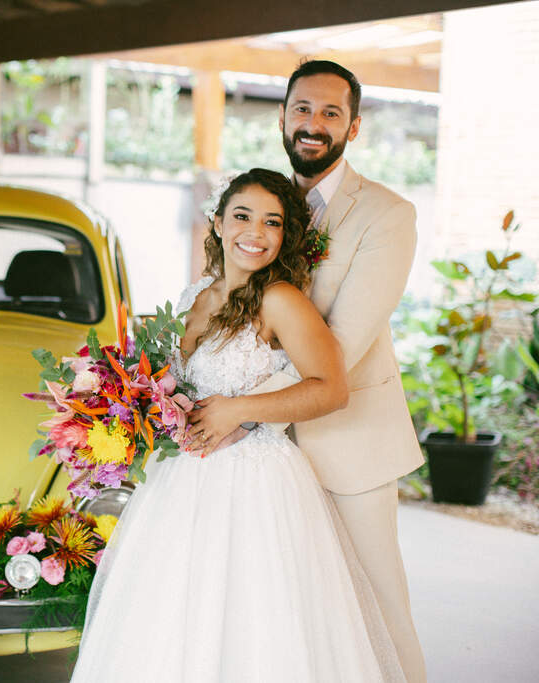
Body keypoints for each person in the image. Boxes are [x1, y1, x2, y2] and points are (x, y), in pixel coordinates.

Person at [71, 169, 405, 682]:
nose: (256, 232)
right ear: (219, 223)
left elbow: (331, 388)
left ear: (284, 235)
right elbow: (168, 385)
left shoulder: (281, 300)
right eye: (243, 216)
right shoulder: (191, 297)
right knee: (172, 617)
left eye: (272, 222)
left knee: (256, 621)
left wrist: (238, 408)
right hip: (181, 483)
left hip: (254, 484)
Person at [244, 60, 426, 683]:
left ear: (353, 127)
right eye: (302, 109)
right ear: (282, 116)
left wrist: (235, 406)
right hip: (264, 455)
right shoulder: (259, 206)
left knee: (377, 604)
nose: (312, 124)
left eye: (330, 112)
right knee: (289, 611)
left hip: (350, 442)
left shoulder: (386, 214)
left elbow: (341, 344)